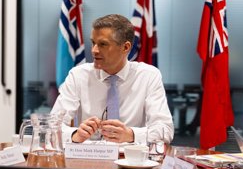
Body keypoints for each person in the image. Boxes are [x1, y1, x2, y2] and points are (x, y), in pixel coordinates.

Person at [51, 14, 174, 144]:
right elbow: (52, 126)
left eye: (103, 44)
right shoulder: (78, 75)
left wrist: (131, 135)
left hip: (130, 155)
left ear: (126, 47)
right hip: (89, 154)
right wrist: (75, 134)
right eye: (93, 43)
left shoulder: (148, 76)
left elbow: (165, 130)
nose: (94, 50)